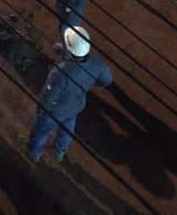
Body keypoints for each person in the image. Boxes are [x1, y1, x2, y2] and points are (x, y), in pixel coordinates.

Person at [27, 26, 113, 165]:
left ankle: (34, 153)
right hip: (75, 107)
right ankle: (59, 152)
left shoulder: (61, 73)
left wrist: (41, 110)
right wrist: (88, 84)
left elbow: (49, 97)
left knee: (40, 131)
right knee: (67, 131)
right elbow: (107, 80)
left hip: (54, 112)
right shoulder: (98, 65)